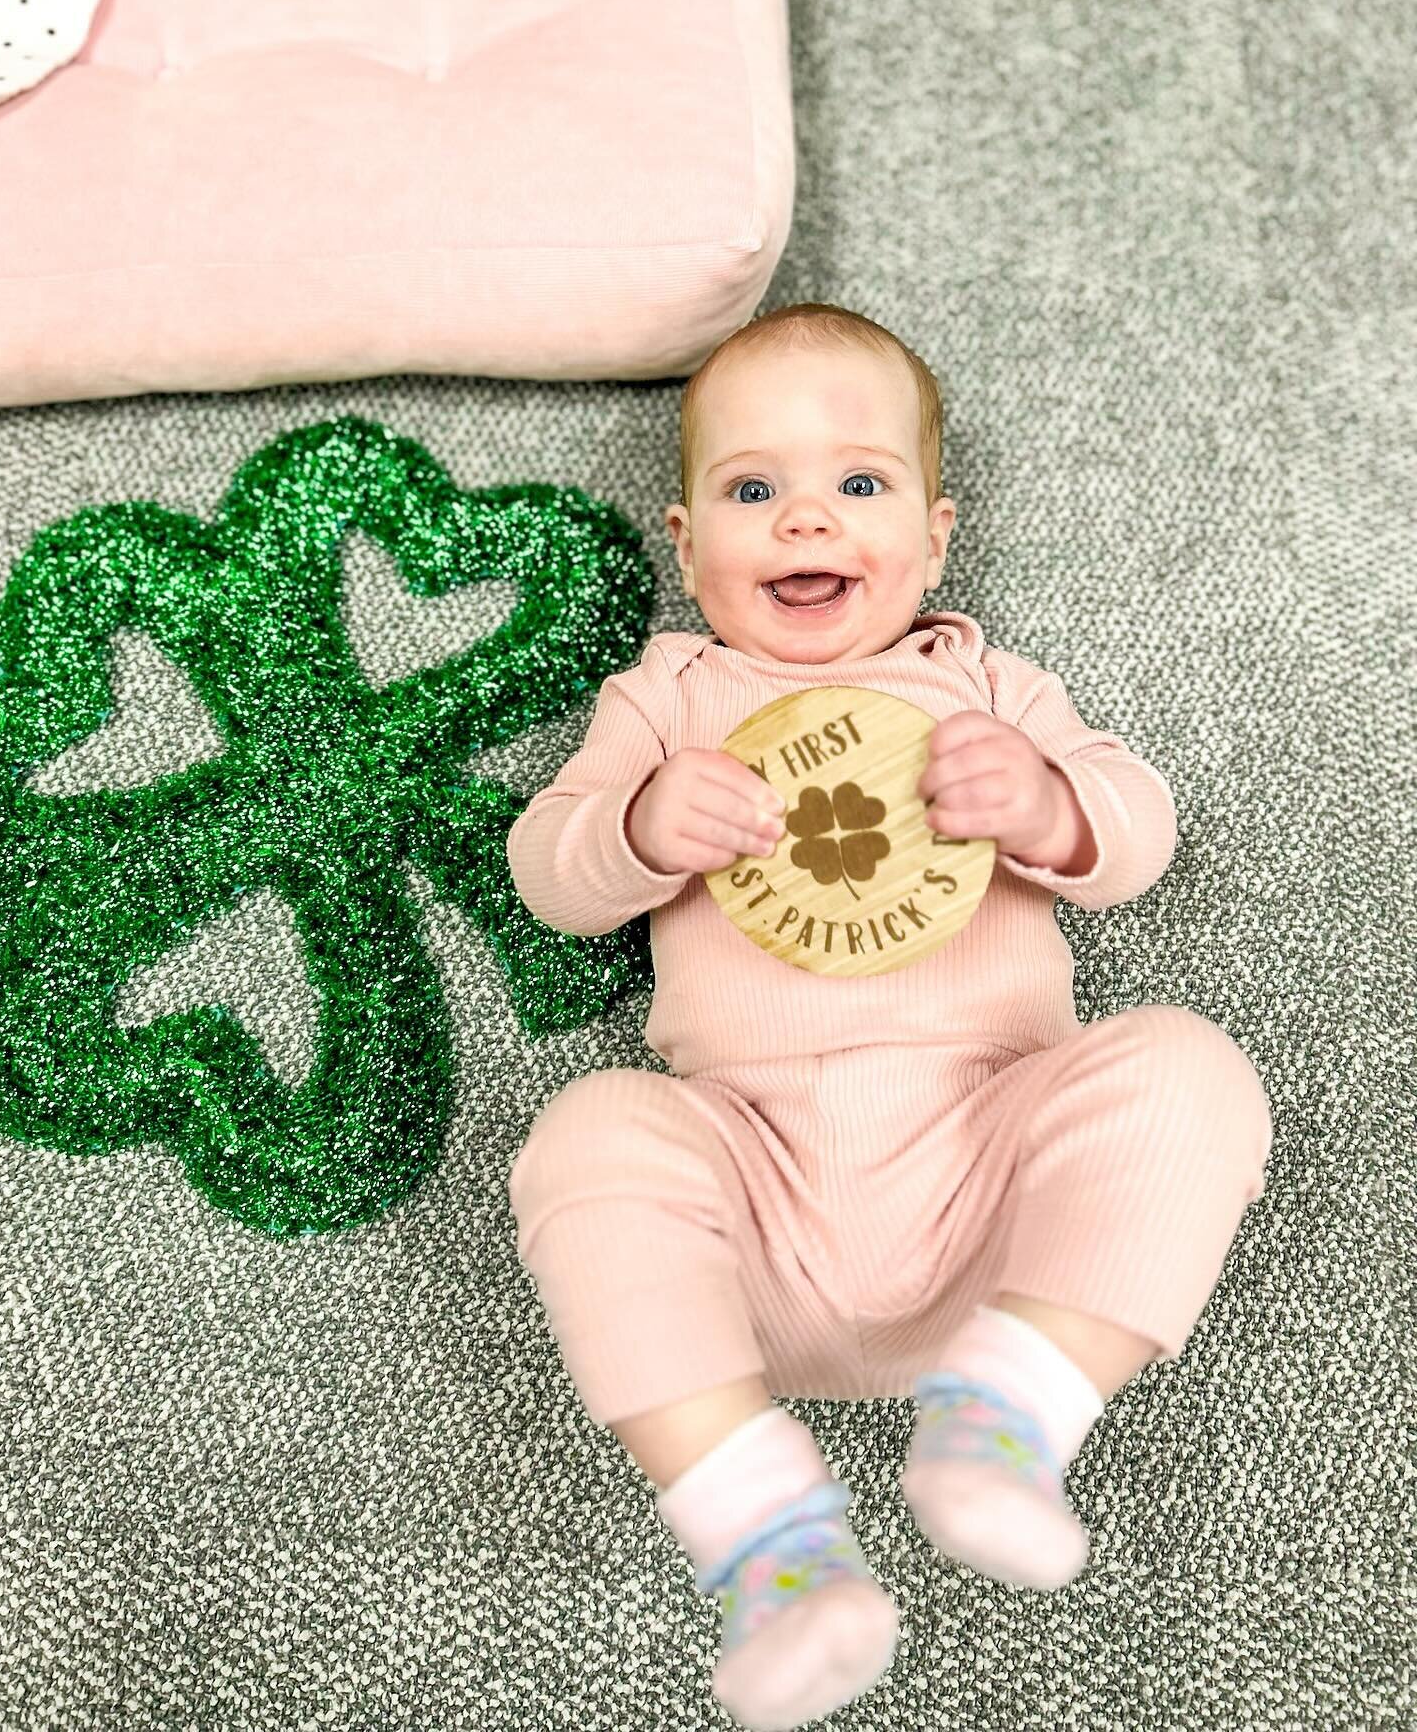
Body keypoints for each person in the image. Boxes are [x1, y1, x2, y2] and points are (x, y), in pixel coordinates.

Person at [506, 302, 1273, 1731]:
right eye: (754, 491)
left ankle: (1012, 1412)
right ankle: (767, 1536)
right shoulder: (671, 696)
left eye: (860, 484)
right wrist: (638, 823)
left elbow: (1140, 830)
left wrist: (1043, 801)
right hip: (755, 1209)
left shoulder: (981, 687)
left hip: (1002, 1188)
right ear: (685, 547)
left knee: (1187, 1068)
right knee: (591, 1135)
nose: (807, 520)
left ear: (934, 537)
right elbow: (547, 875)